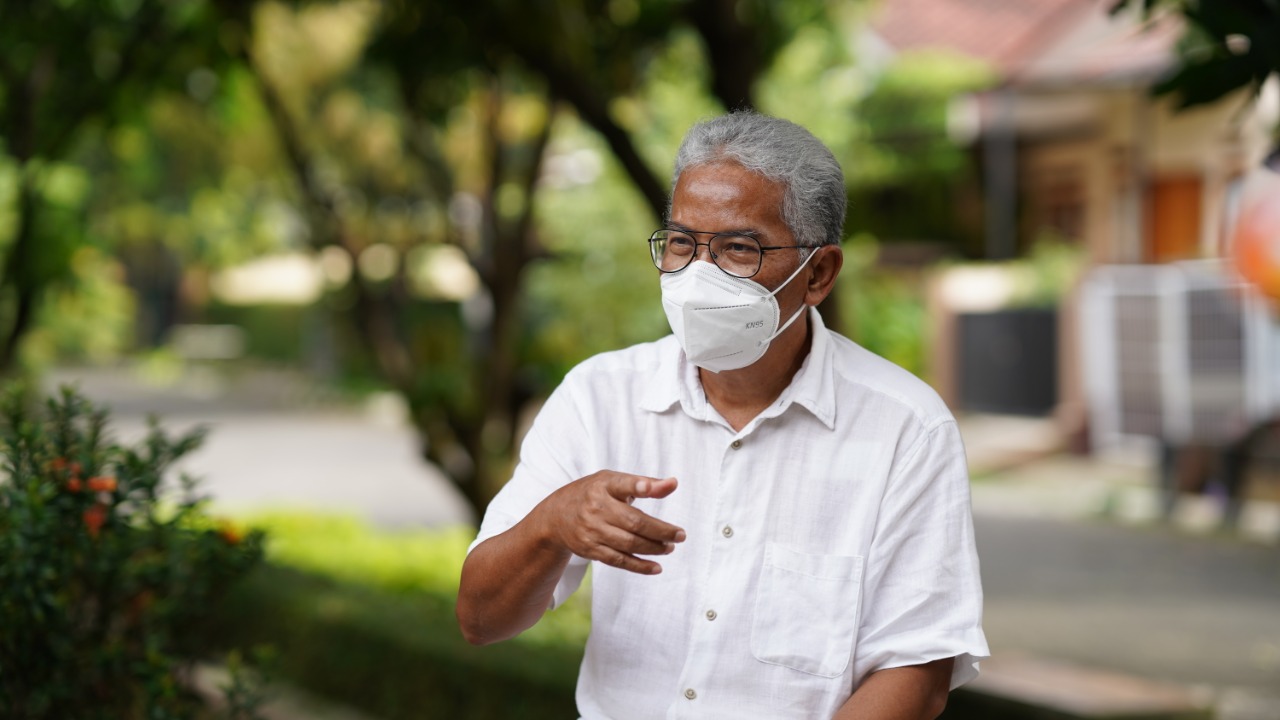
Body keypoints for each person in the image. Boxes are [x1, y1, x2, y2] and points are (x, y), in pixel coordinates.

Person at [457, 111, 988, 719]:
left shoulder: (904, 429)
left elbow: (916, 673)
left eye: (738, 247)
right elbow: (479, 619)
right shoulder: (599, 397)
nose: (698, 275)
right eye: (681, 242)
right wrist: (551, 524)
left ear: (819, 273)